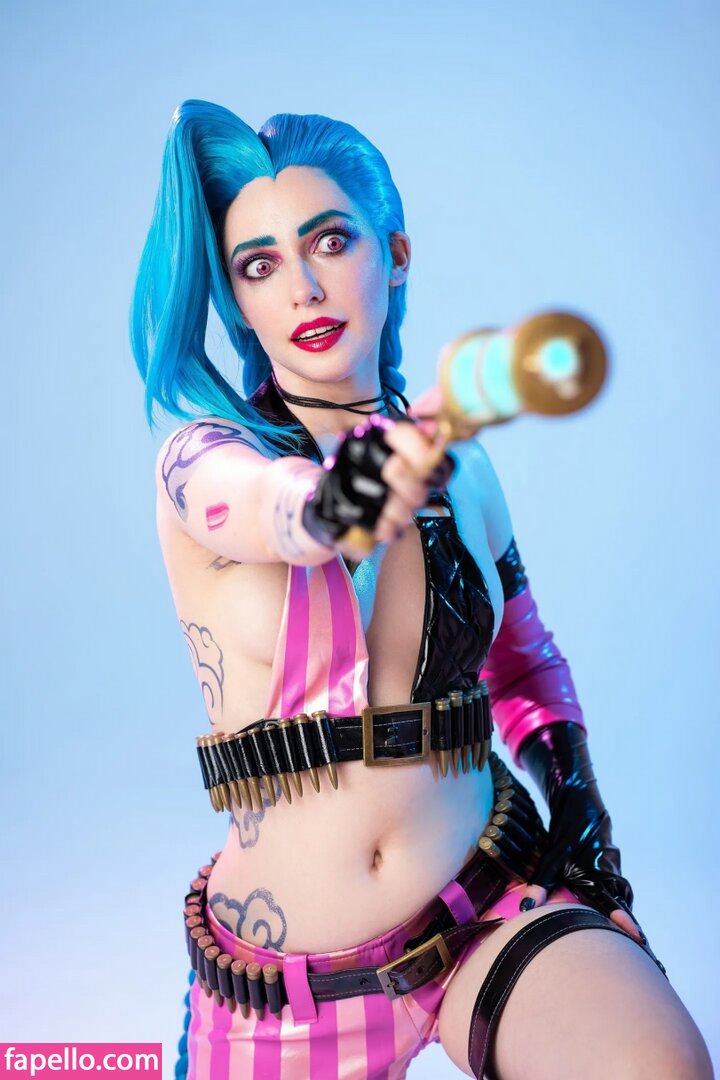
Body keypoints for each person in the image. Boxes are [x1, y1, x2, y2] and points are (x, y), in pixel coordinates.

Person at [130, 100, 712, 1080]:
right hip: (287, 987)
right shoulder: (203, 464)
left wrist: (585, 829)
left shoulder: (466, 470)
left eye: (331, 241)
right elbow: (302, 518)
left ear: (394, 254)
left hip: (488, 907)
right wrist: (412, 440)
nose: (304, 287)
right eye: (260, 265)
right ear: (236, 300)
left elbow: (524, 663)